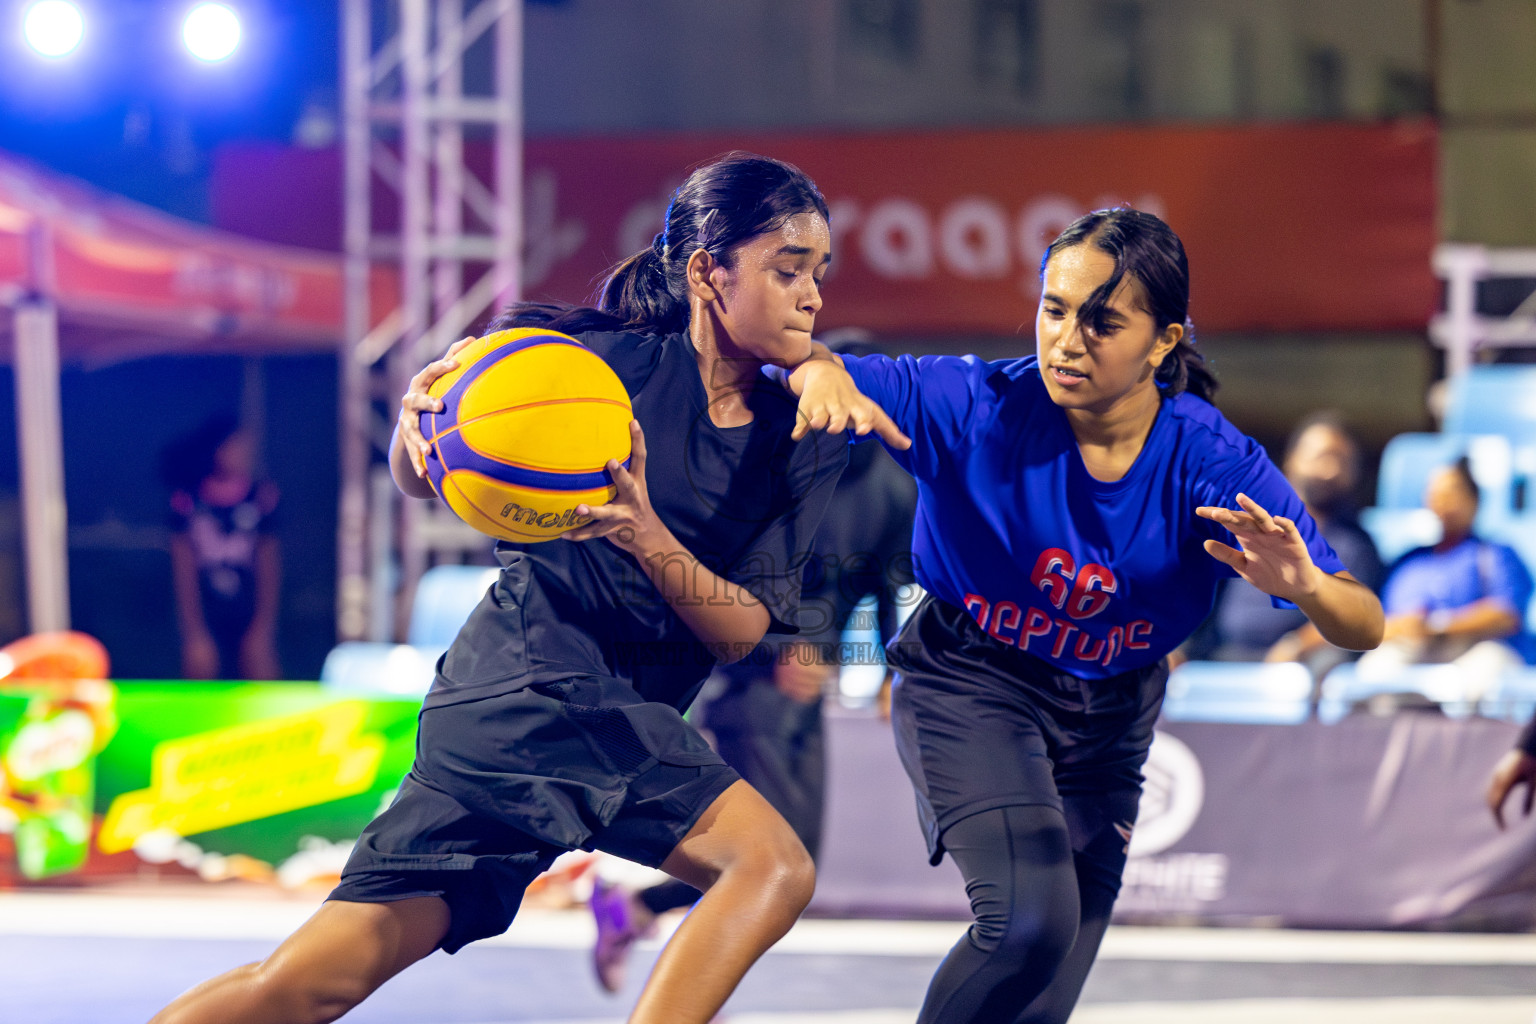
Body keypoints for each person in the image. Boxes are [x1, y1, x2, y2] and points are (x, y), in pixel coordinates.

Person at [149, 152, 907, 1024]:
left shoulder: (800, 439)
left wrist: (644, 530)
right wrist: (415, 422)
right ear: (708, 270)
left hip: (578, 715)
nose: (813, 295)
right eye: (787, 269)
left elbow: (740, 633)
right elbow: (426, 471)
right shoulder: (591, 368)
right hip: (528, 687)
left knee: (303, 987)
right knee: (771, 865)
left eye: (819, 273)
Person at [779, 207, 1384, 1024]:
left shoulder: (1207, 460)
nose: (1067, 340)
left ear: (1166, 340)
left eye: (1102, 321)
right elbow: (818, 361)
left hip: (1110, 720)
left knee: (1043, 994)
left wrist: (1308, 582)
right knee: (1029, 923)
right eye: (1053, 309)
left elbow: (1365, 623)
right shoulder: (975, 403)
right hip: (972, 682)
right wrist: (817, 371)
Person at [588, 378, 919, 992]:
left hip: (806, 687)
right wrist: (773, 657)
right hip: (743, 678)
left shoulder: (892, 485)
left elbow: (886, 586)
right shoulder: (772, 467)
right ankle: (685, 995)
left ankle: (633, 910)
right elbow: (712, 581)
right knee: (768, 862)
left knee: (796, 860)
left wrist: (889, 673)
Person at [1186, 411, 1384, 688]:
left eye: (1342, 461)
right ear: (1292, 460)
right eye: (1321, 457)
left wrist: (1297, 644)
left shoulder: (1357, 546)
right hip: (1220, 659)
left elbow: (1356, 619)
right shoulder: (1249, 528)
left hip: (1292, 667)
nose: (1330, 470)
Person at [1354, 458, 1532, 701]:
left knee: (1473, 681)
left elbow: (1506, 615)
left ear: (1474, 500)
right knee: (1372, 675)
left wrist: (1438, 626)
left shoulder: (1494, 554)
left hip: (1477, 648)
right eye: (1436, 493)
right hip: (1414, 649)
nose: (1444, 501)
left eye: (1453, 492)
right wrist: (1406, 627)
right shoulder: (1407, 562)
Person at [161, 414, 282, 681]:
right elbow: (183, 570)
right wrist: (194, 631)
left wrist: (263, 627)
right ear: (216, 449)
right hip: (205, 610)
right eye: (235, 446)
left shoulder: (262, 497)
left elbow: (269, 564)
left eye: (247, 447)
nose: (243, 453)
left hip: (248, 608)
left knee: (261, 667)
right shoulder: (187, 501)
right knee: (200, 667)